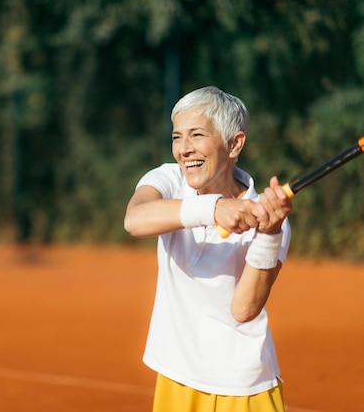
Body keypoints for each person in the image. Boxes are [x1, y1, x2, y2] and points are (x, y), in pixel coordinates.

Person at [124, 86, 293, 412]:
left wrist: (269, 233)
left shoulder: (271, 219)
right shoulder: (169, 180)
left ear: (234, 144)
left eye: (197, 135)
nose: (184, 149)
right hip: (177, 377)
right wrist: (214, 210)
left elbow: (244, 310)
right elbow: (134, 220)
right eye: (177, 137)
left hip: (244, 388)